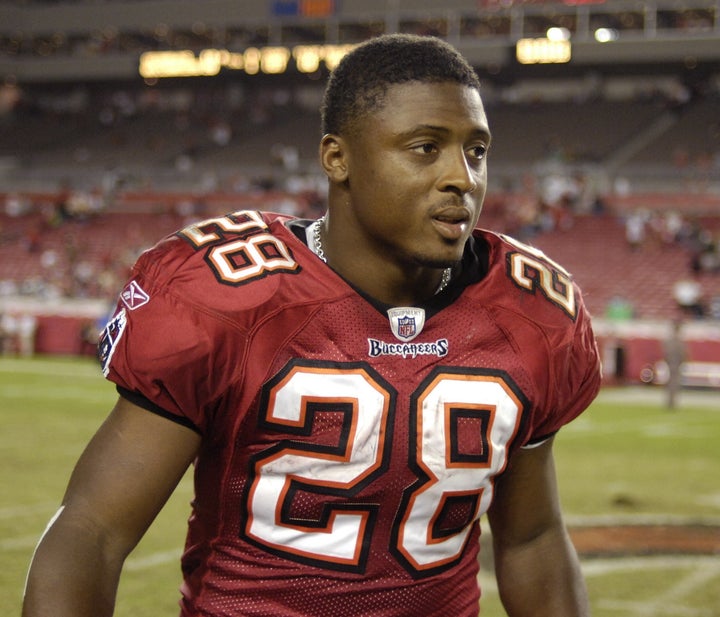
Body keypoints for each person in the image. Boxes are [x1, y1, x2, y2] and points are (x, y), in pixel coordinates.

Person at [23, 34, 602, 617]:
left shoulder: (532, 312)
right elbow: (92, 534)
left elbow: (533, 540)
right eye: (425, 148)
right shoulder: (230, 299)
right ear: (337, 158)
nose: (463, 178)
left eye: (476, 151)